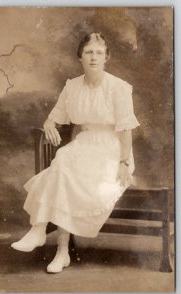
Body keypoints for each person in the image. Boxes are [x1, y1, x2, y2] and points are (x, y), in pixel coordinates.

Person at [11, 32, 140, 273]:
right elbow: (53, 118)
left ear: (106, 58)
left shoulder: (118, 88)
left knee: (64, 168)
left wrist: (124, 163)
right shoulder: (72, 86)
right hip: (84, 144)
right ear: (80, 56)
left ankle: (54, 244)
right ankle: (43, 235)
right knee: (63, 160)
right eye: (89, 52)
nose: (94, 57)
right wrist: (49, 125)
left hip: (112, 150)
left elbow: (126, 130)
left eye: (99, 53)